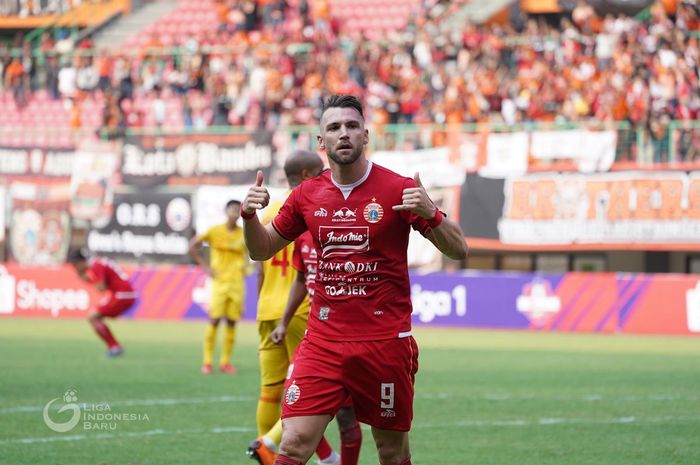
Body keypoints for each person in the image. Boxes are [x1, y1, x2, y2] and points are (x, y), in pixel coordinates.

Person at [241, 94, 468, 465]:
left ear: (365, 135)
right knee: (294, 443)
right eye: (333, 128)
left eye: (351, 126)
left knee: (392, 452)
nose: (343, 134)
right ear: (321, 142)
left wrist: (433, 213)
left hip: (384, 344)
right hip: (322, 342)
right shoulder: (306, 196)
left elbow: (459, 250)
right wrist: (250, 218)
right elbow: (262, 249)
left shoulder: (397, 189)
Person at [247, 150, 351, 465]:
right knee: (311, 390)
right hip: (303, 309)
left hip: (267, 307)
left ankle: (287, 453)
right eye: (320, 171)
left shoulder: (267, 212)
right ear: (307, 175)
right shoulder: (311, 207)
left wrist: (263, 305)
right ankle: (269, 444)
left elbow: (259, 264)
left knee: (271, 390)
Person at [189, 199, 248, 375]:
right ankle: (207, 362)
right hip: (219, 282)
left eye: (238, 210)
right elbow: (193, 246)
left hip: (237, 283)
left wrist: (248, 267)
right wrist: (205, 267)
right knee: (214, 320)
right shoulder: (215, 231)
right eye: (232, 209)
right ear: (226, 211)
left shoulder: (244, 234)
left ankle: (225, 362)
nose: (235, 212)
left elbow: (254, 252)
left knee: (232, 322)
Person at [68, 249, 137, 357]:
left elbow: (101, 288)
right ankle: (114, 346)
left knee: (93, 317)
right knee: (95, 317)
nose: (75, 268)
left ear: (80, 262)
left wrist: (86, 279)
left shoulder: (96, 266)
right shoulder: (99, 262)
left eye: (74, 265)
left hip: (122, 295)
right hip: (125, 294)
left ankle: (114, 347)